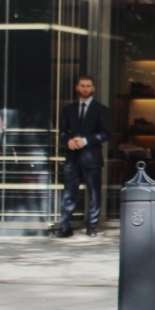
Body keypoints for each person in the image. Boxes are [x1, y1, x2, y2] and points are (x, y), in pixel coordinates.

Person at [56, 75, 111, 238]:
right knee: (69, 193)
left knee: (94, 193)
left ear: (93, 89)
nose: (85, 89)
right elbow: (63, 131)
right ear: (77, 88)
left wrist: (86, 141)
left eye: (88, 86)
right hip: (73, 156)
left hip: (91, 157)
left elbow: (106, 133)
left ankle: (91, 226)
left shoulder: (101, 110)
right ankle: (65, 227)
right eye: (82, 86)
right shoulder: (68, 109)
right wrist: (68, 141)